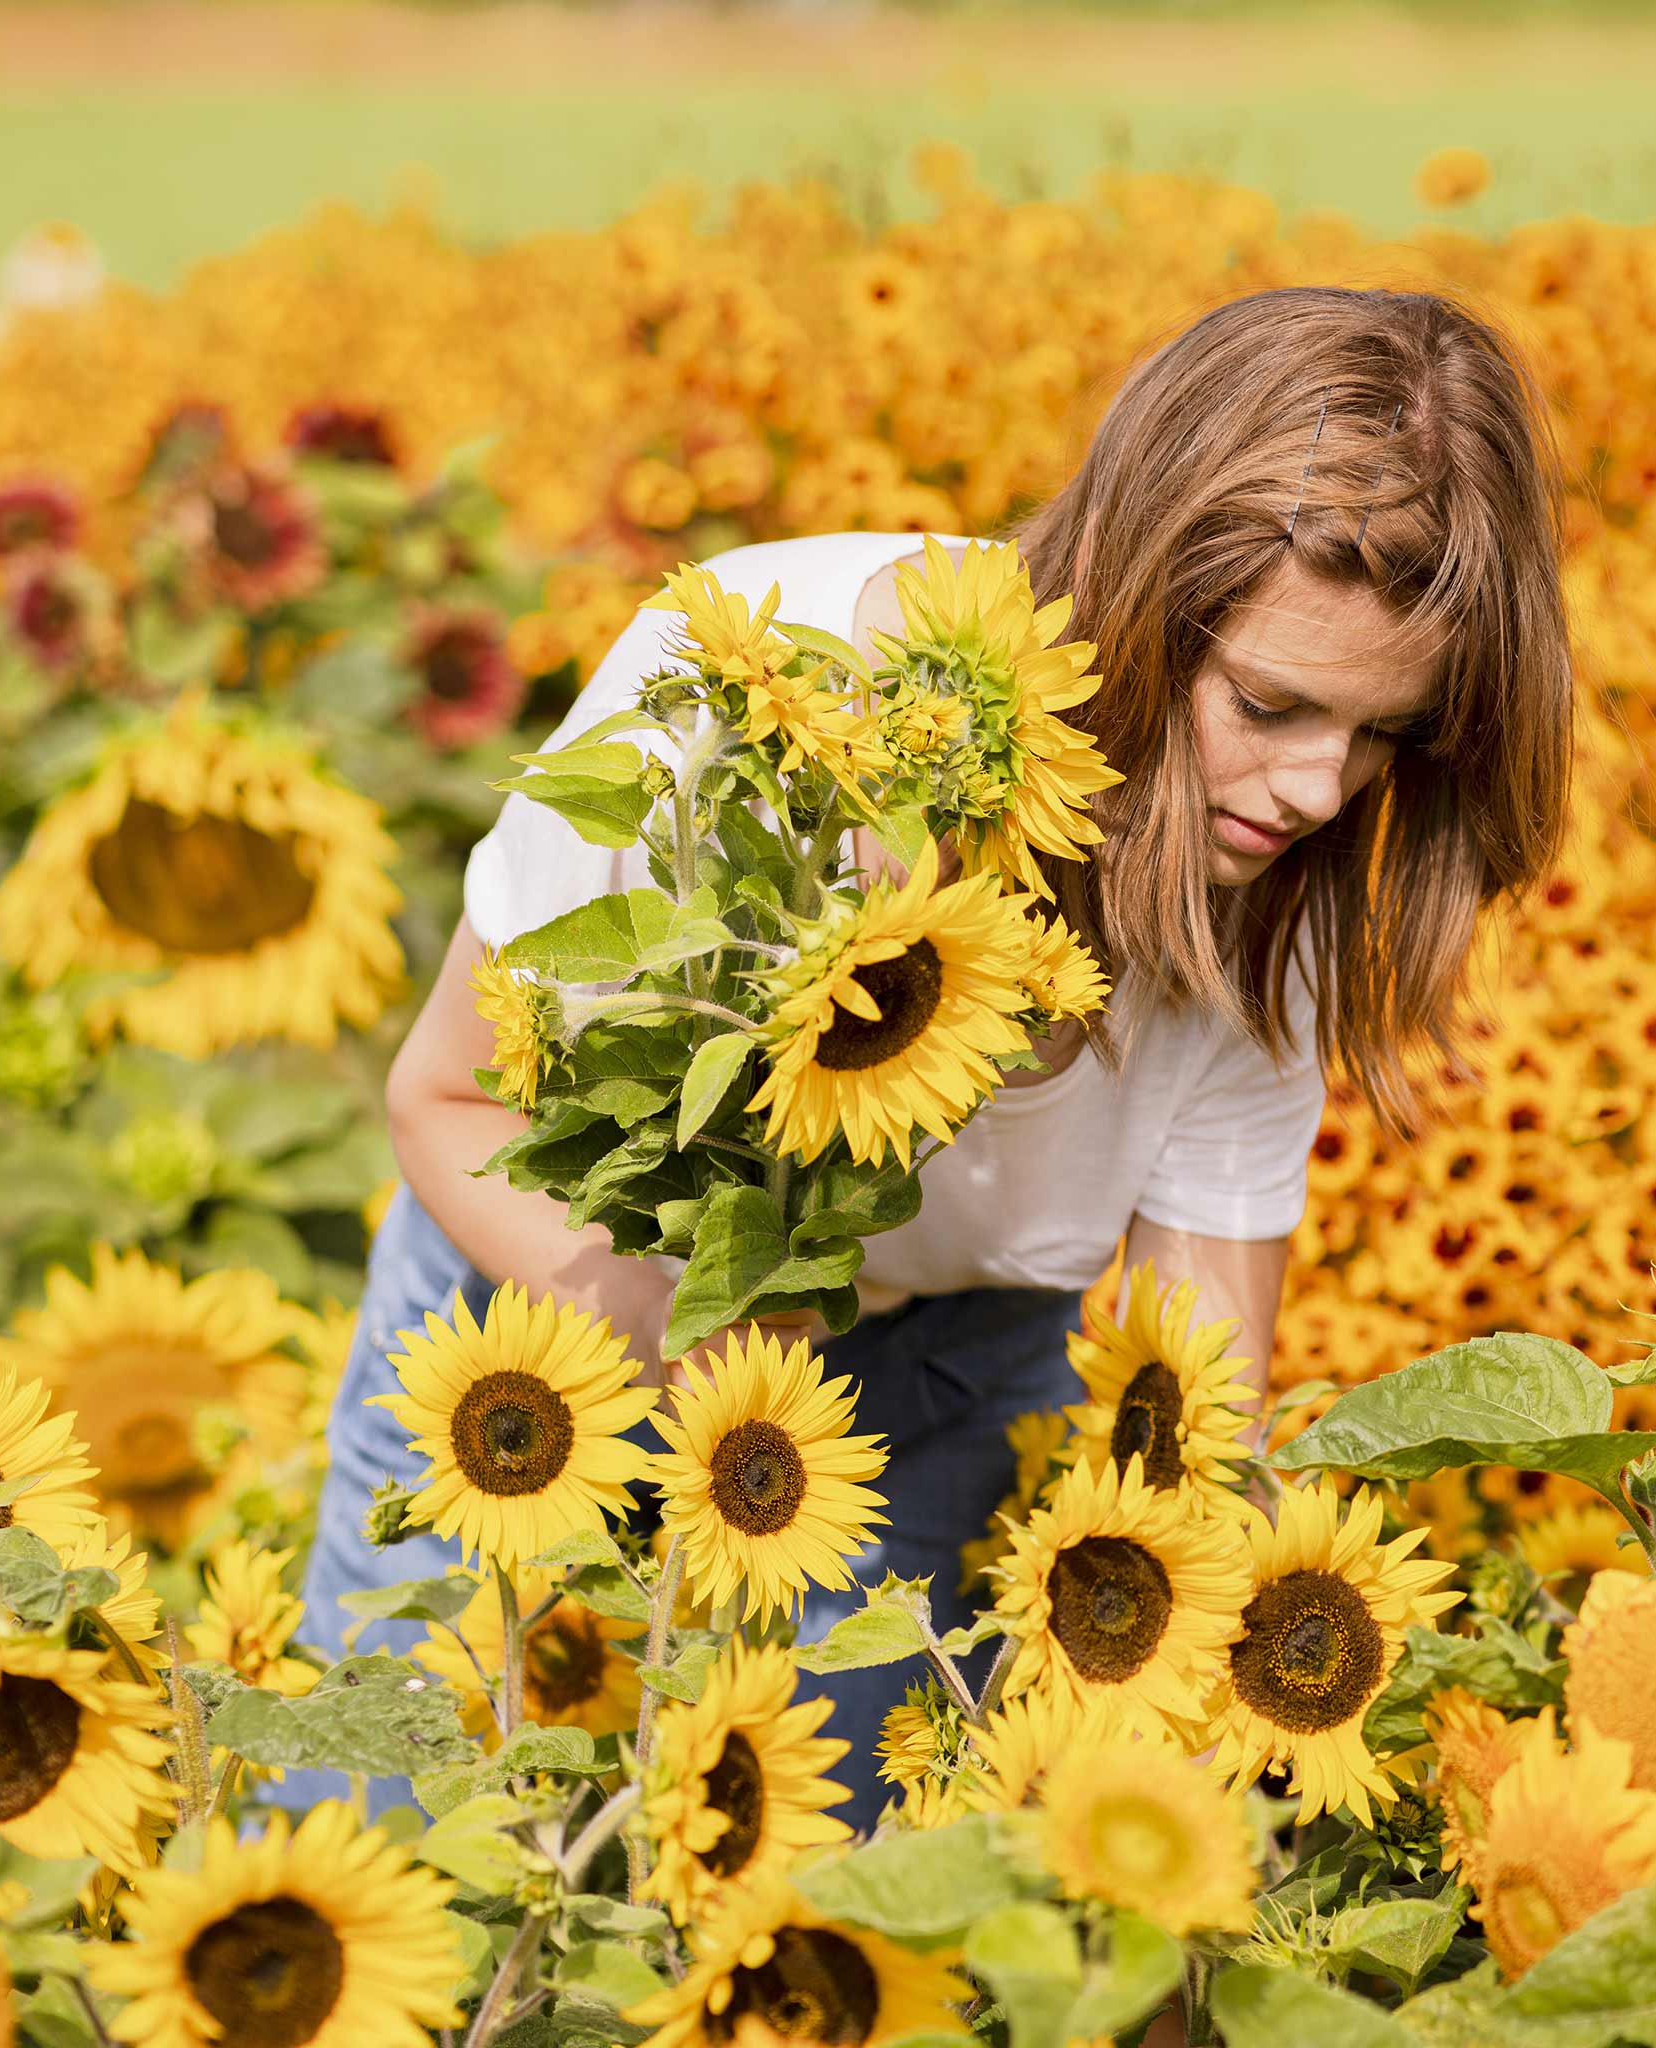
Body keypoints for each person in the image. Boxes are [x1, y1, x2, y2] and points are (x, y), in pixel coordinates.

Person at [275, 283, 1574, 1825]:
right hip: (538, 1321)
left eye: (1380, 738)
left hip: (936, 1390)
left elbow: (1190, 1384)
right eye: (1274, 705)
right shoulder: (751, 694)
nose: (1314, 788)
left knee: (824, 1906)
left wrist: (1208, 1711)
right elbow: (441, 1096)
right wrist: (692, 1363)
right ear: (1140, 599)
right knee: (383, 1829)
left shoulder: (1279, 901)